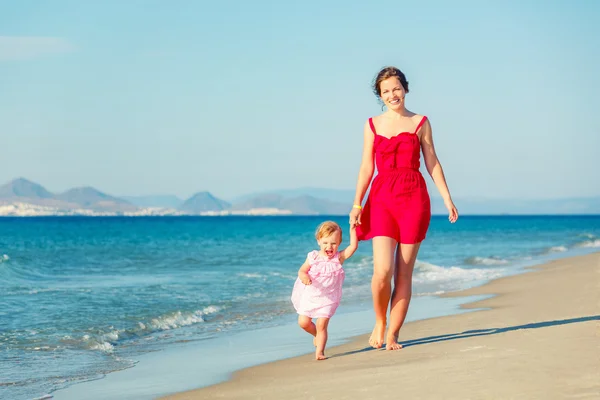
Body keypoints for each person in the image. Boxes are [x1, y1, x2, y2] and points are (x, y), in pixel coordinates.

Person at [350, 66, 458, 351]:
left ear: (405, 89)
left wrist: (447, 198)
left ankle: (393, 333)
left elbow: (432, 161)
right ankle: (379, 321)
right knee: (382, 271)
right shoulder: (372, 124)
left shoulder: (421, 122)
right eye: (386, 91)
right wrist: (357, 203)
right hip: (382, 198)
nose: (392, 94)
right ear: (380, 96)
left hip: (413, 198)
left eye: (396, 88)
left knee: (404, 273)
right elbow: (365, 167)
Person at [291, 221, 358, 360]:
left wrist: (353, 230)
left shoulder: (338, 258)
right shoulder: (313, 257)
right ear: (319, 241)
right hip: (311, 295)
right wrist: (304, 276)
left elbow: (353, 247)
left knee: (322, 325)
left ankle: (320, 352)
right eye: (326, 242)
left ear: (339, 243)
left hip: (328, 298)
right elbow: (302, 270)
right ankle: (316, 335)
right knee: (303, 322)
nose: (329, 246)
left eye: (334, 243)